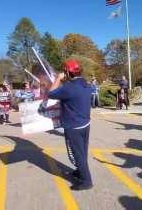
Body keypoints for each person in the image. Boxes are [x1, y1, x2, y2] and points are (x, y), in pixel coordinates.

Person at [47, 59, 93, 191]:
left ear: (67, 71)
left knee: (78, 154)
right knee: (82, 152)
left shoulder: (68, 88)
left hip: (74, 126)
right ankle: (80, 171)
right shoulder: (85, 83)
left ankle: (86, 181)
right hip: (85, 123)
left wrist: (57, 79)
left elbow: (50, 93)